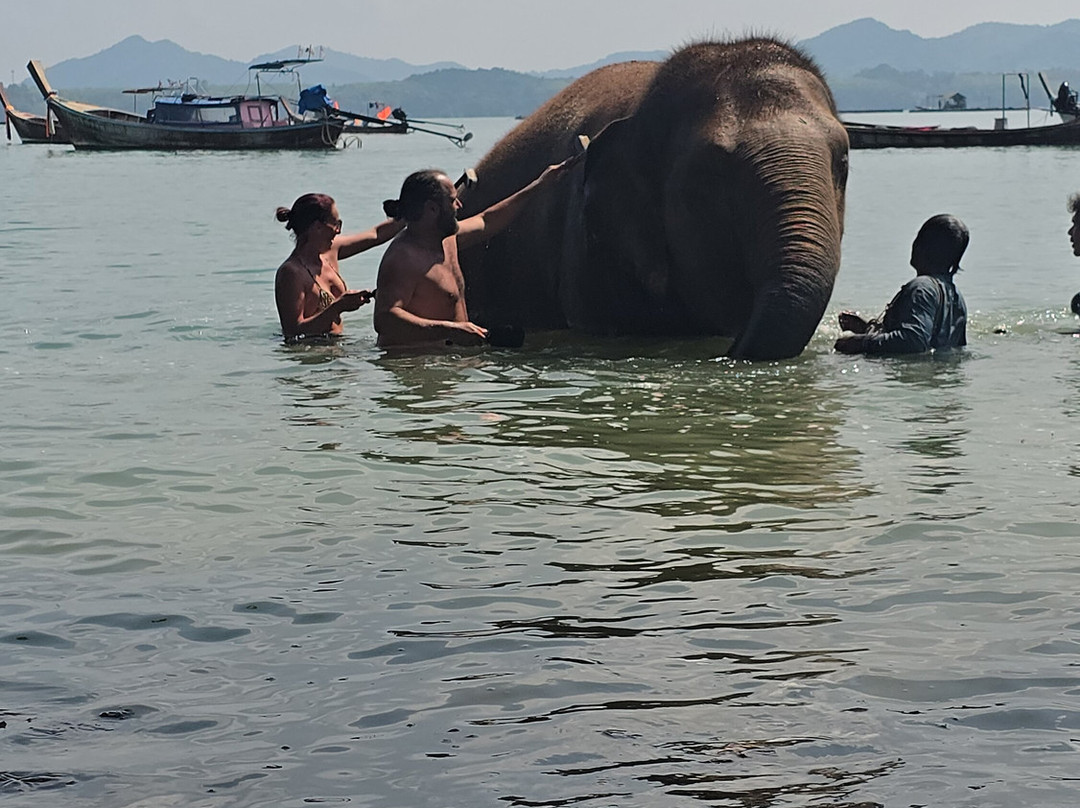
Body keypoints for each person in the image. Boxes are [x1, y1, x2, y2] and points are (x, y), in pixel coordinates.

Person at [373, 158, 577, 348]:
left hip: (450, 361)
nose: (459, 205)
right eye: (453, 201)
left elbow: (487, 221)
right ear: (432, 209)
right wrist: (449, 330)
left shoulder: (446, 238)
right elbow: (385, 319)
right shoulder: (402, 259)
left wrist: (540, 184)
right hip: (415, 369)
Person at [274, 193, 404, 341]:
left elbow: (375, 235)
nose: (338, 230)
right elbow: (292, 332)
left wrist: (410, 214)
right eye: (336, 224)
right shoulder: (291, 273)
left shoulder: (331, 251)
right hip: (313, 354)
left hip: (337, 347)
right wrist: (338, 307)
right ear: (317, 227)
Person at [835, 214, 969, 355]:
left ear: (922, 245)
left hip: (914, 375)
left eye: (919, 237)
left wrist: (860, 343)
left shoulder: (921, 288)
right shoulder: (956, 297)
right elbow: (940, 343)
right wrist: (867, 329)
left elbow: (913, 341)